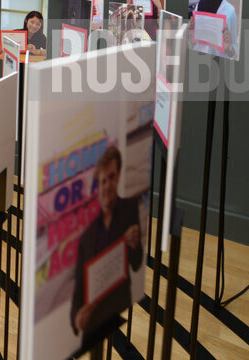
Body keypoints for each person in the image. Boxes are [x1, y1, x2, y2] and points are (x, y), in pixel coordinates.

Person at [70, 146, 143, 348]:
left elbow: (137, 264)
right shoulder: (86, 237)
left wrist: (135, 245)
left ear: (118, 176)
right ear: (98, 185)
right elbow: (79, 289)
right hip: (93, 321)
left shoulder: (130, 209)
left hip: (119, 311)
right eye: (103, 181)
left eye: (112, 177)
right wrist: (76, 319)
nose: (108, 185)